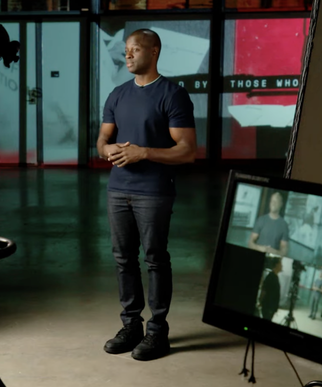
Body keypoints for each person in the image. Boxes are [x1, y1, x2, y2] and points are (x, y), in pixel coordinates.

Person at [96, 28, 197, 361]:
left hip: (153, 192)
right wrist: (107, 148)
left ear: (154, 52)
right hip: (118, 190)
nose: (127, 55)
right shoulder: (117, 94)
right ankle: (131, 325)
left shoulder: (173, 94)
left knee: (155, 259)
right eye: (126, 49)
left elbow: (187, 152)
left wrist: (145, 153)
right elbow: (102, 142)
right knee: (123, 260)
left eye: (135, 49)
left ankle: (157, 331)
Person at [248, 192, 290, 256]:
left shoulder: (284, 225)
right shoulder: (261, 220)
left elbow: (284, 250)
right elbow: (250, 243)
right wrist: (260, 248)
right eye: (272, 201)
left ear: (281, 204)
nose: (273, 203)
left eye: (276, 201)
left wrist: (274, 252)